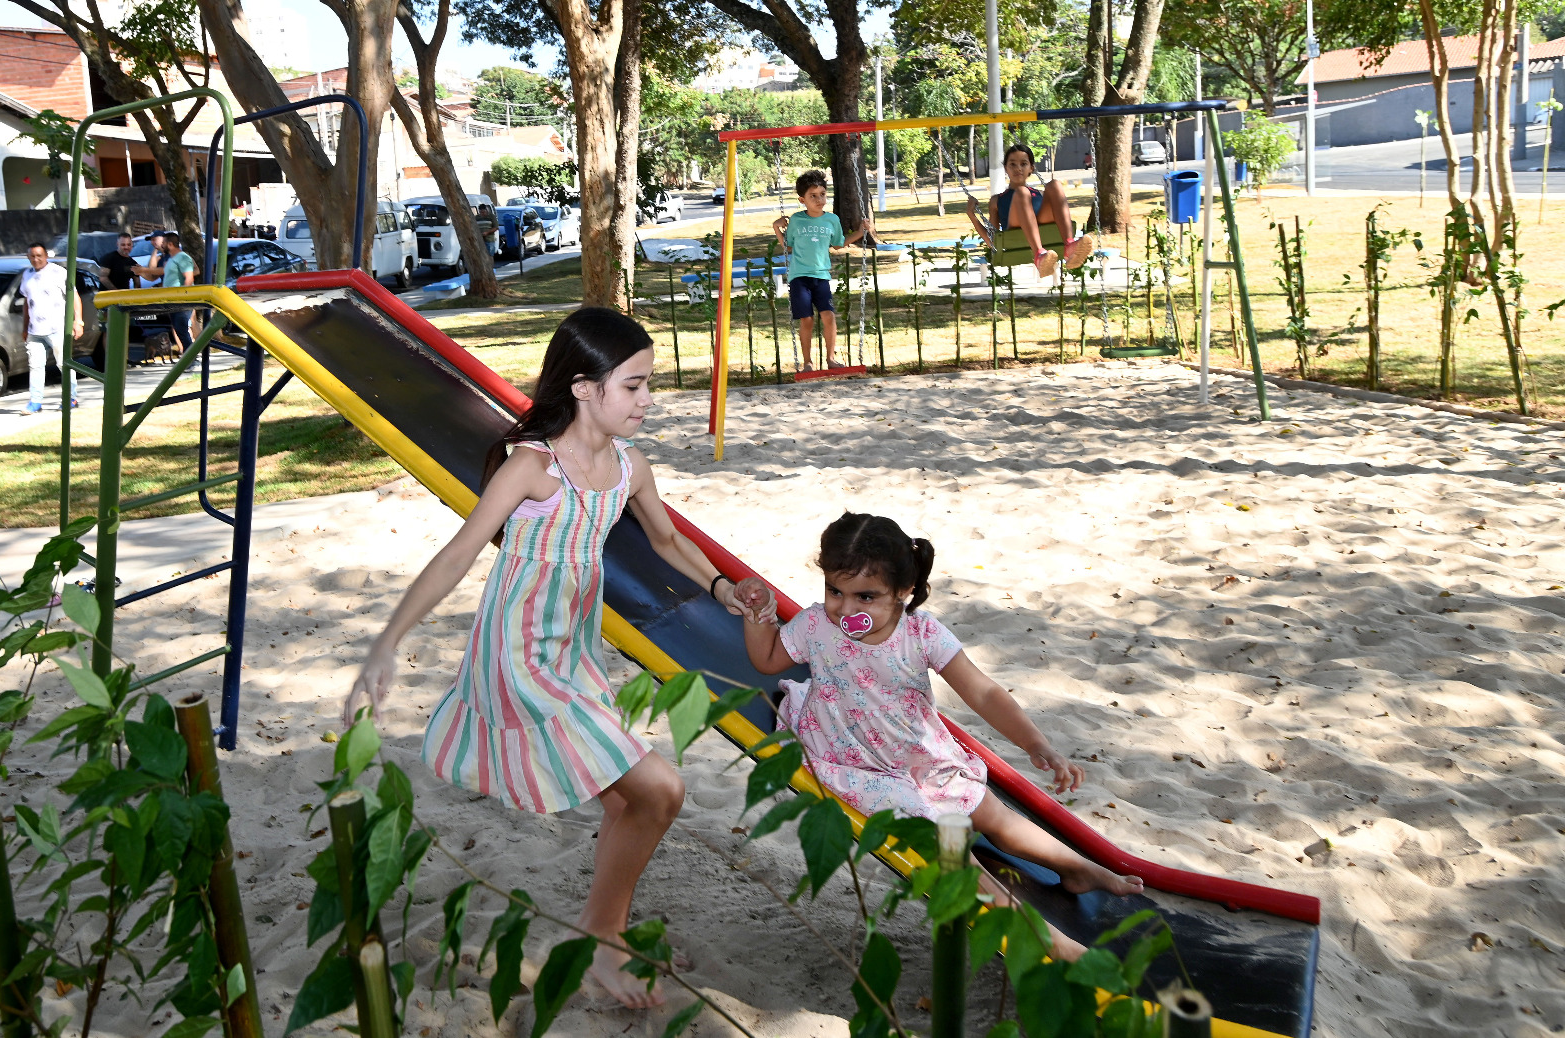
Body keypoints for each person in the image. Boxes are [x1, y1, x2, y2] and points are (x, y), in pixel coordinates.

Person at [343, 308, 745, 1009]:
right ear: (586, 389)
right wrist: (386, 644)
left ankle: (600, 940)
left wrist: (721, 586)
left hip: (573, 651)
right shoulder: (534, 467)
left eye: (649, 386)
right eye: (636, 386)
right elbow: (459, 553)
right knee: (660, 790)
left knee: (631, 798)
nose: (648, 400)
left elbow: (668, 540)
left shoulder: (627, 467)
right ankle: (605, 942)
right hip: (516, 656)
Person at [733, 513, 1143, 960]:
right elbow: (769, 659)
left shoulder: (922, 633)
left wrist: (1035, 743)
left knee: (992, 813)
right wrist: (759, 615)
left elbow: (983, 692)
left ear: (903, 593)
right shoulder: (816, 627)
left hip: (914, 752)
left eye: (865, 596)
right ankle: (1049, 939)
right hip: (850, 758)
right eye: (835, 591)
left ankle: (1076, 868)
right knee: (945, 844)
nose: (845, 609)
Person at [772, 169, 873, 371]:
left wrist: (861, 232)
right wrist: (777, 228)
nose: (819, 200)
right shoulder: (797, 220)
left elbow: (838, 244)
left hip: (821, 275)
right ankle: (807, 362)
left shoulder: (832, 220)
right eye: (813, 196)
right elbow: (788, 246)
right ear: (802, 200)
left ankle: (830, 359)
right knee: (807, 318)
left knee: (828, 316)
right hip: (799, 277)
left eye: (822, 195)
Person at [965, 144, 1095, 278]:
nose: (1018, 168)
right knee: (1021, 192)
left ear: (1031, 168)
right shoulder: (997, 200)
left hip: (1040, 223)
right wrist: (971, 215)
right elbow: (991, 240)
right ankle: (1039, 255)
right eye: (1012, 164)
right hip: (1014, 230)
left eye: (1023, 164)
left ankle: (1069, 245)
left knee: (1055, 184)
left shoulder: (1041, 194)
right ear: (1006, 169)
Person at [18, 243, 83, 415]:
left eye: (39, 255)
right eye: (32, 256)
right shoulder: (27, 275)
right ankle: (35, 401)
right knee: (35, 366)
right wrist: (25, 327)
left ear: (46, 255)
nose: (36, 259)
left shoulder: (58, 272)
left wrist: (78, 321)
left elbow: (74, 296)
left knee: (64, 364)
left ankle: (71, 397)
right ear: (28, 257)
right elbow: (26, 302)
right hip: (34, 330)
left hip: (56, 328)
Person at [160, 232, 198, 351]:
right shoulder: (172, 259)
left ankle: (192, 358)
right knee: (179, 329)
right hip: (172, 300)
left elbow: (189, 277)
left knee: (182, 328)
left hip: (181, 301)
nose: (162, 245)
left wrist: (183, 296)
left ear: (170, 244)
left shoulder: (182, 257)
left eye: (164, 243)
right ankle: (189, 357)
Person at [97, 231, 162, 292]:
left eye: (128, 244)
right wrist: (116, 292)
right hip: (106, 298)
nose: (126, 247)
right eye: (123, 245)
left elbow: (137, 284)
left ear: (131, 245)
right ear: (117, 244)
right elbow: (103, 278)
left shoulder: (132, 263)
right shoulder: (108, 258)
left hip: (123, 299)